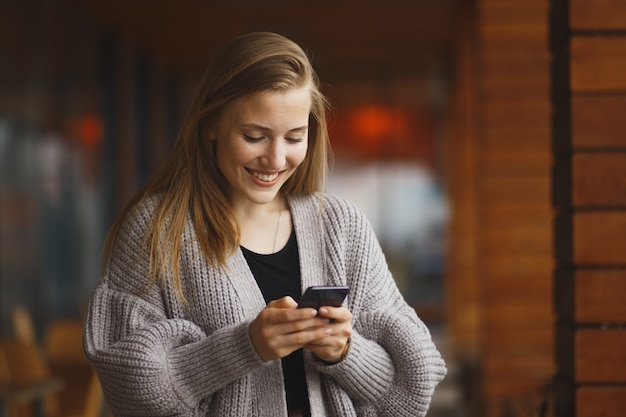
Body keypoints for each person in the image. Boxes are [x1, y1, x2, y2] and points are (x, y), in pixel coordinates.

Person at [83, 32, 446, 417]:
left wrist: (344, 351)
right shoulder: (157, 231)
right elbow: (127, 387)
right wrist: (244, 346)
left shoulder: (340, 226)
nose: (275, 159)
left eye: (294, 137)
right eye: (254, 136)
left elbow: (411, 383)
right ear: (211, 125)